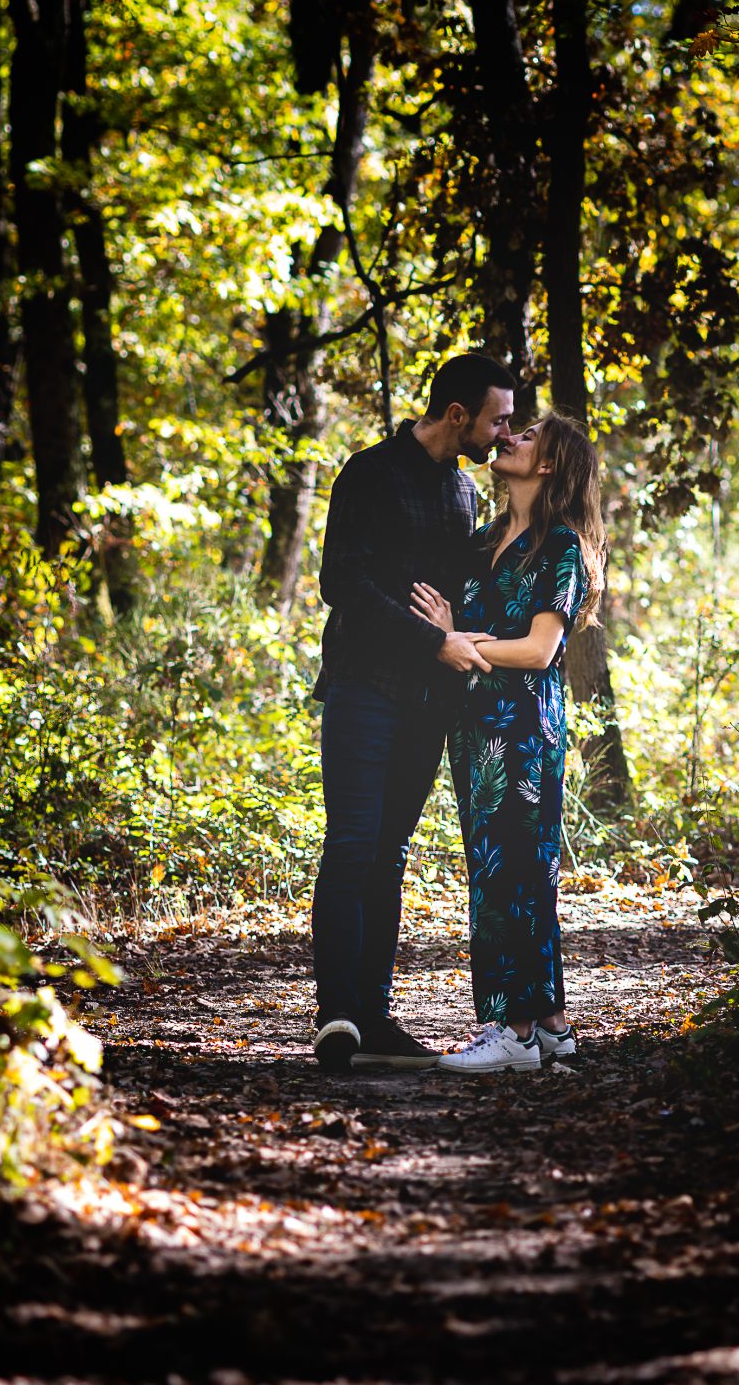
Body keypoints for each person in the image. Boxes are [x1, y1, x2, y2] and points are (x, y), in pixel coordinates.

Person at [308, 353, 517, 1071]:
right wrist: (435, 639)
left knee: (390, 854)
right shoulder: (368, 472)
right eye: (497, 419)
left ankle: (374, 1014)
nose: (502, 433)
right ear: (457, 414)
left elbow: (460, 593)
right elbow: (343, 583)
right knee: (353, 845)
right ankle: (336, 1016)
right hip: (363, 686)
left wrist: (455, 635)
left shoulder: (462, 493)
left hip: (429, 703)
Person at [410, 414, 604, 1074]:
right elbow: (460, 627)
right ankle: (552, 1024)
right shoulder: (482, 540)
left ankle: (511, 1033)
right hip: (472, 730)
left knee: (515, 876)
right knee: (504, 874)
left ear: (548, 464)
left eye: (526, 438)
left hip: (526, 732)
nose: (508, 440)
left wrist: (464, 644)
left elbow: (541, 649)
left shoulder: (561, 546)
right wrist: (450, 631)